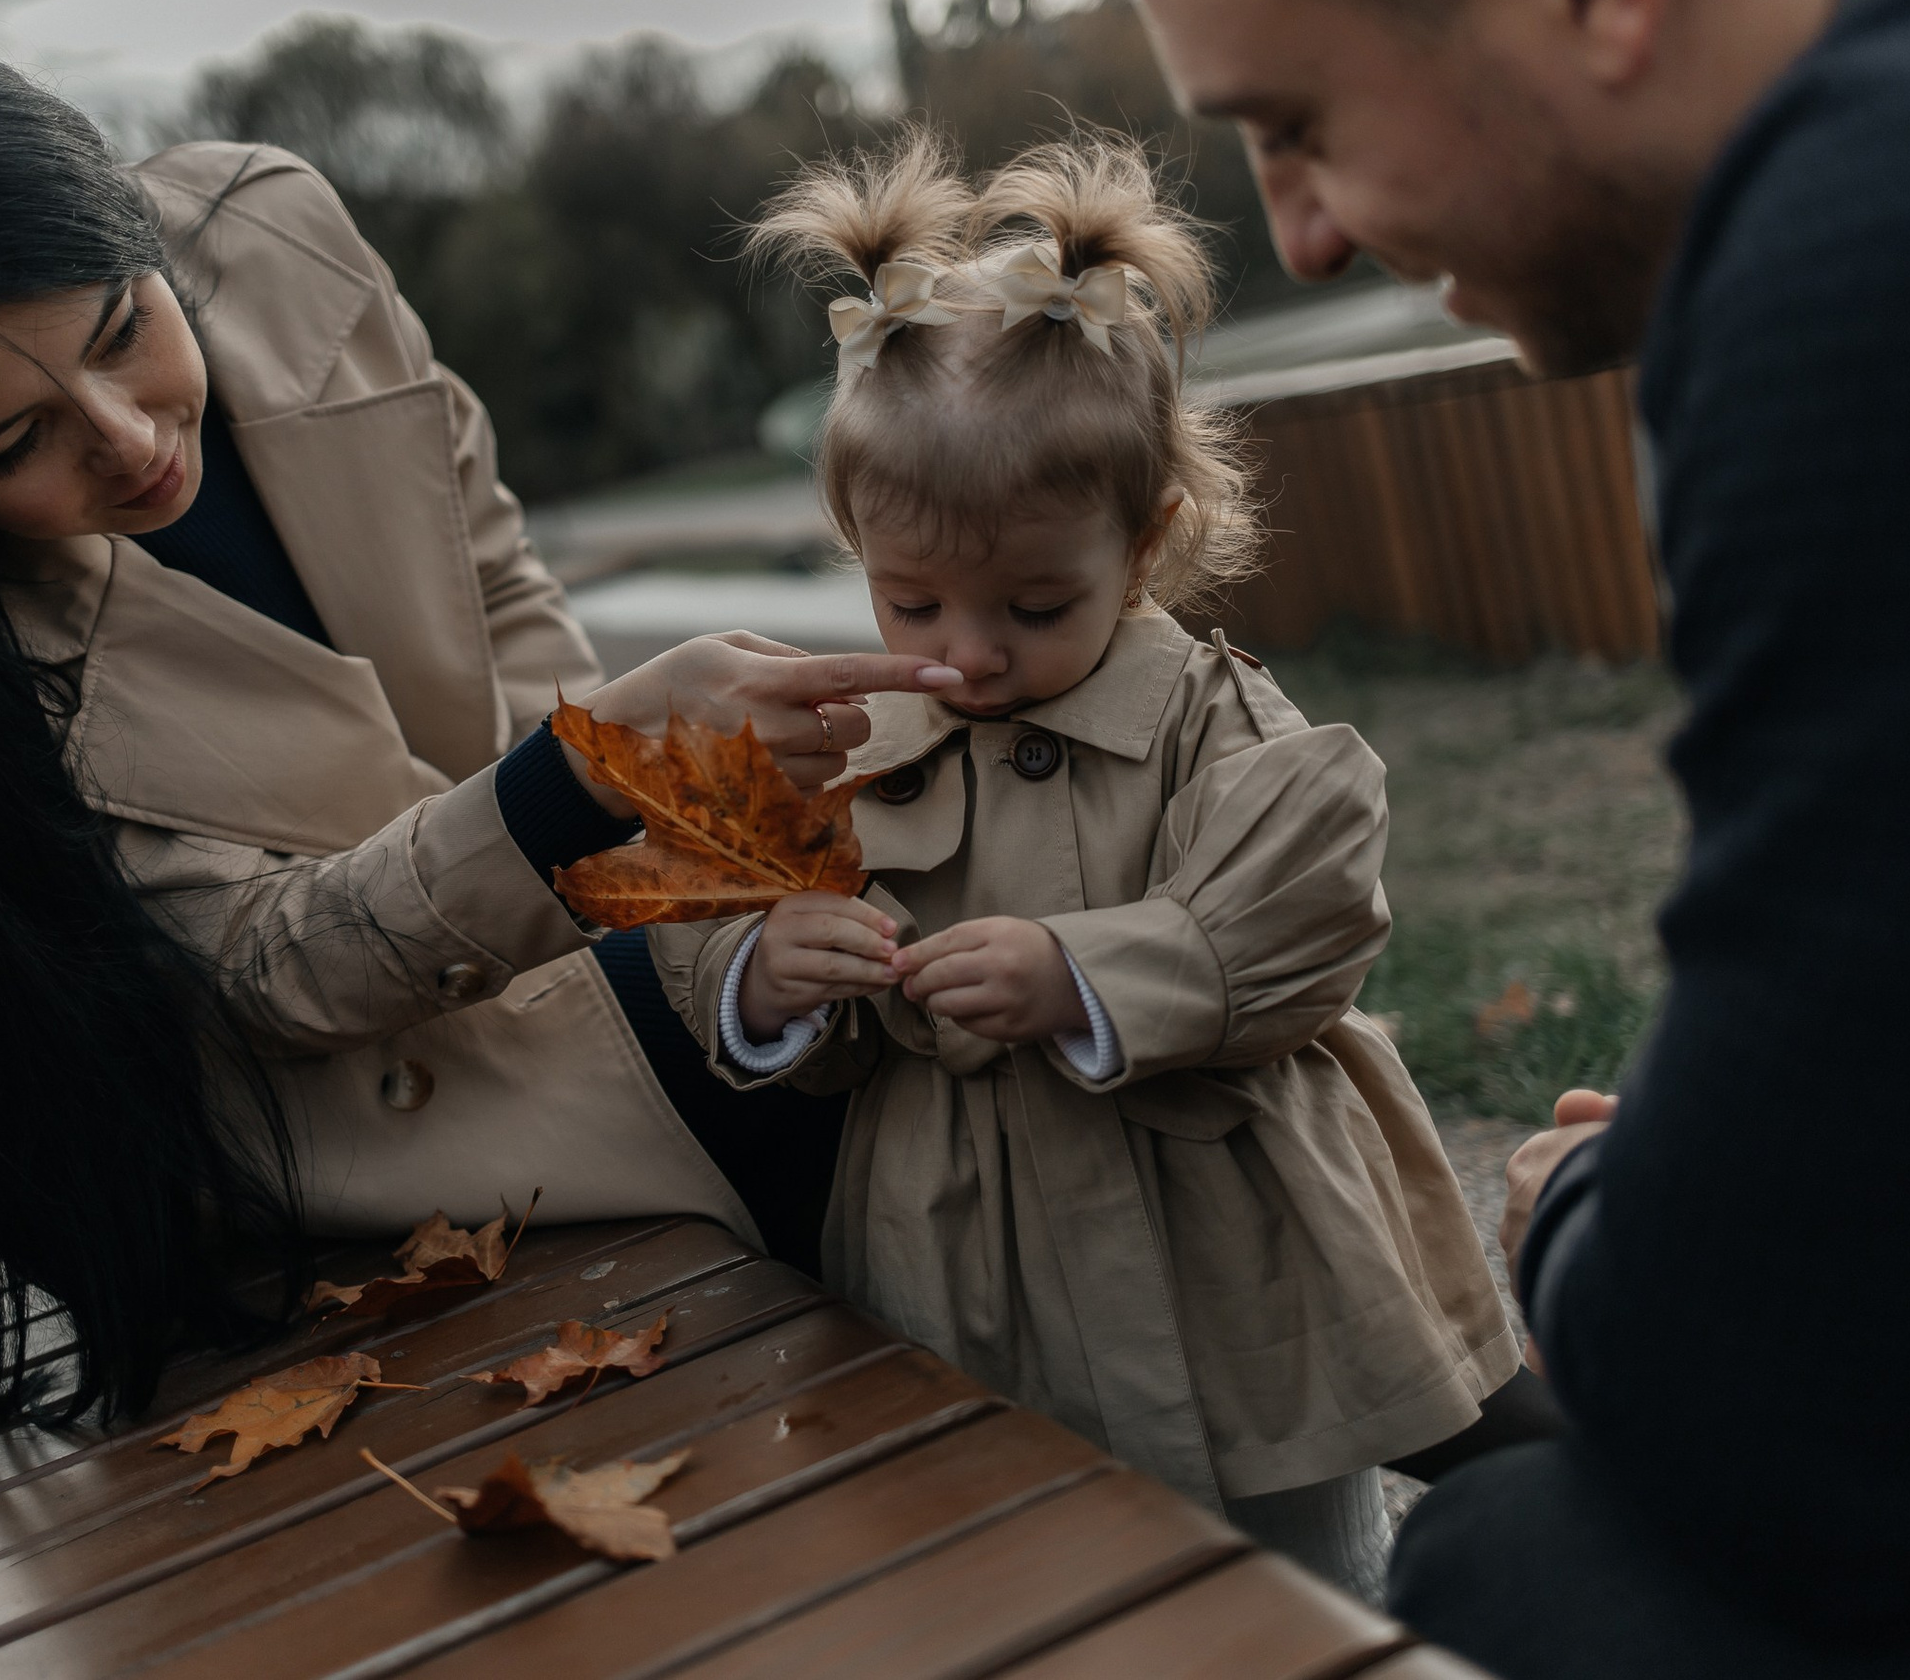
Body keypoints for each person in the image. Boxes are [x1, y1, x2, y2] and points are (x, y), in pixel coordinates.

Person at [0, 24, 956, 1430]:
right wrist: (583, 782)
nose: (131, 439)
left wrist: (635, 833)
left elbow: (497, 580)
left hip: (555, 930)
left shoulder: (267, 236)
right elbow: (262, 977)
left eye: (123, 328)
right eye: (9, 446)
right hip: (352, 1112)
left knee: (984, 870)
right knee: (878, 1029)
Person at [1131, 0, 1910, 1671]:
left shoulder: (1887, 243)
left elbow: (1784, 1412)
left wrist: (1580, 1215)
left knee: (1519, 1562)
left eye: (1298, 128)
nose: (1305, 236)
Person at [646, 132, 1521, 1601]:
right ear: (854, 540)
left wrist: (1091, 972)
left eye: (1036, 605)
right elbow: (709, 898)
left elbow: (1309, 897)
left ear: (1150, 539)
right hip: (964, 1254)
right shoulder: (843, 737)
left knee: (1291, 1562)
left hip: (1228, 1232)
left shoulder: (1207, 710)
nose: (972, 652)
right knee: (1031, 1563)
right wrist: (760, 976)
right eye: (914, 597)